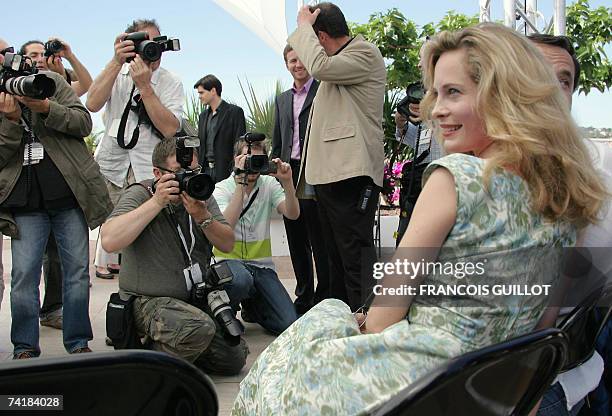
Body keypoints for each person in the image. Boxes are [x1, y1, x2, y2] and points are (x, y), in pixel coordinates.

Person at [231, 23, 608, 414]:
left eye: (453, 92)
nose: (436, 108)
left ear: (502, 95)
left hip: (414, 389)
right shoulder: (568, 203)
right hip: (488, 396)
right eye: (435, 93)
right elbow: (542, 330)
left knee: (320, 321)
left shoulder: (455, 179)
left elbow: (382, 320)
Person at [100, 138, 248, 375]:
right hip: (146, 301)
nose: (188, 177)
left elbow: (227, 243)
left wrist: (203, 217)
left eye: (193, 170)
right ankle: (144, 367)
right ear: (158, 173)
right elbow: (109, 240)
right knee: (198, 329)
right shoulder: (141, 194)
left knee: (234, 358)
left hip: (190, 300)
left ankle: (179, 349)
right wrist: (157, 202)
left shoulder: (201, 194)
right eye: (179, 172)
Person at [0, 55, 112, 359]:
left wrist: (47, 107)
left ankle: (77, 342)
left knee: (76, 272)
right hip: (25, 204)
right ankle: (24, 346)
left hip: (68, 197)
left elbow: (83, 123)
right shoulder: (2, 96)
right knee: (24, 276)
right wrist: (11, 121)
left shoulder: (54, 84)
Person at [528, 33, 612, 416]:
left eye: (563, 80)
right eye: (535, 75)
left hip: (543, 379)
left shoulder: (586, 181)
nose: (551, 90)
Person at [287, 2, 386, 311]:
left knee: (355, 258)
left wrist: (303, 27)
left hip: (351, 175)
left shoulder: (363, 53)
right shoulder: (340, 63)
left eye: (310, 40)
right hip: (330, 177)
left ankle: (370, 324)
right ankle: (347, 322)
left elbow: (319, 67)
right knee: (336, 263)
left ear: (322, 37)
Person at [87, 18, 184, 279]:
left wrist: (145, 86)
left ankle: (138, 278)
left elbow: (170, 130)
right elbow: (92, 103)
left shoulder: (170, 81)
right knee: (108, 221)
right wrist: (116, 61)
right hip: (111, 164)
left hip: (146, 165)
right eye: (143, 43)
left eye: (156, 44)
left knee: (143, 227)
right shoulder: (116, 72)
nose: (150, 51)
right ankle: (104, 263)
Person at [20, 38, 96, 329]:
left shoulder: (58, 82)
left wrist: (69, 57)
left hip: (64, 190)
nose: (40, 58)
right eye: (33, 55)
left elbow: (85, 89)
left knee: (72, 266)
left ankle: (73, 334)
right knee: (29, 270)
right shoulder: (15, 87)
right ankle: (29, 337)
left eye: (44, 53)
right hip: (30, 195)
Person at [213, 139, 299, 334]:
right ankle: (229, 307)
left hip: (261, 267)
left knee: (288, 324)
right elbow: (226, 225)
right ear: (238, 160)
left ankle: (253, 307)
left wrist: (287, 182)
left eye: (258, 160)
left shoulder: (268, 184)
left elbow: (292, 214)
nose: (253, 165)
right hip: (229, 264)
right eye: (248, 159)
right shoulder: (222, 188)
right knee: (241, 280)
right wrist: (240, 186)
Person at [270, 44, 329, 315]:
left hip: (315, 170)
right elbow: (279, 139)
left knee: (319, 237)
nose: (297, 65)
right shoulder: (282, 99)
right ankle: (304, 295)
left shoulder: (324, 91)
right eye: (292, 60)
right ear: (286, 64)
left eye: (301, 59)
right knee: (296, 238)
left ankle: (324, 294)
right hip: (288, 172)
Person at [394, 42, 444, 245]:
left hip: (443, 179)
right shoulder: (422, 94)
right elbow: (419, 142)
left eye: (421, 60)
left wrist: (433, 111)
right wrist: (402, 124)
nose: (418, 65)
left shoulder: (451, 95)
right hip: (420, 182)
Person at [194, 74, 246, 183]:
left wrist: (236, 171)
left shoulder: (234, 112)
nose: (199, 96)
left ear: (213, 91)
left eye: (202, 92)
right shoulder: (202, 116)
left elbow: (239, 144)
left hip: (225, 171)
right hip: (205, 171)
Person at [20, 39, 93, 97]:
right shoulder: (14, 84)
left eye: (43, 55)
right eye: (33, 56)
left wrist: (70, 56)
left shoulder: (53, 86)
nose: (40, 60)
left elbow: (87, 84)